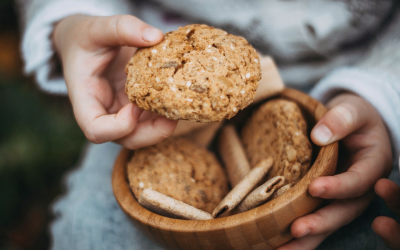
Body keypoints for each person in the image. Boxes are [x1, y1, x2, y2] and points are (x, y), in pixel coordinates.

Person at [17, 0, 400, 249]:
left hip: (356, 86)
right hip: (142, 95)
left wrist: (380, 91)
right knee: (89, 233)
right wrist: (70, 21)